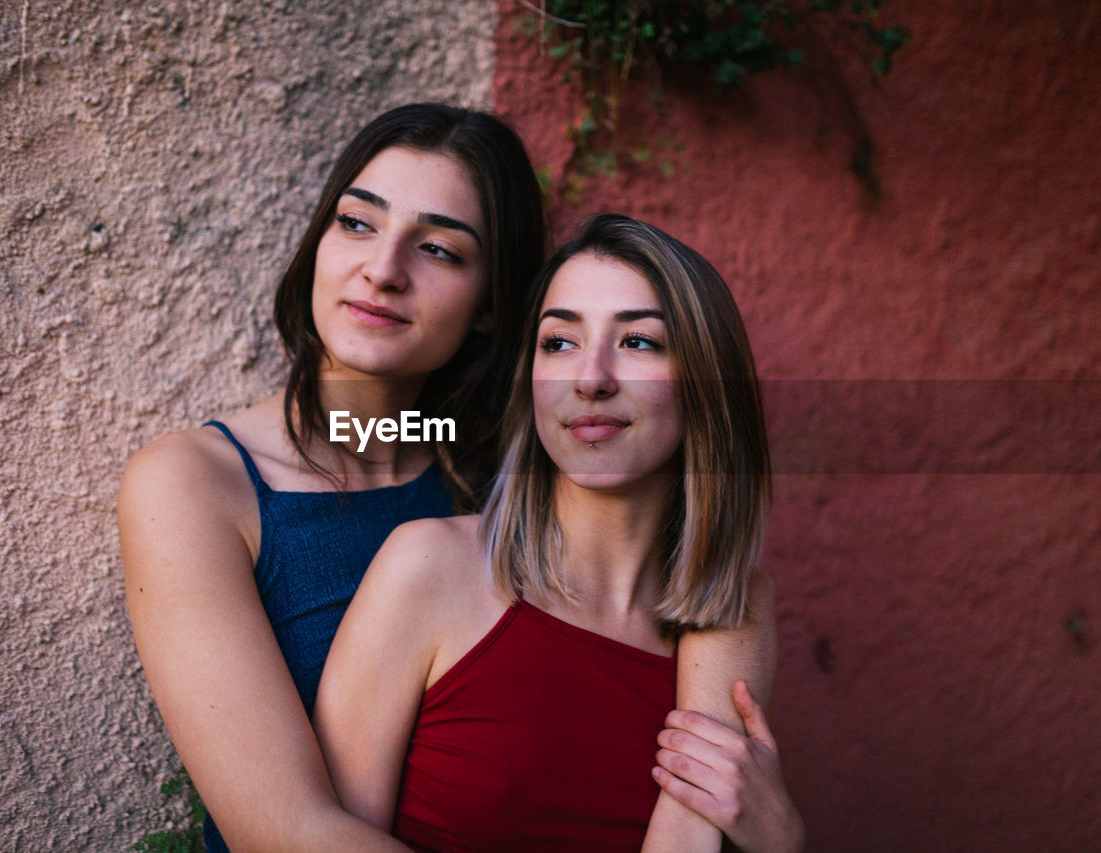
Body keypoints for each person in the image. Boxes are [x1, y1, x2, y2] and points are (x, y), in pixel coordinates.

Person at [120, 104, 800, 852]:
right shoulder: (196, 484)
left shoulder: (488, 466)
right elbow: (283, 830)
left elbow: (704, 577)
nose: (383, 269)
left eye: (440, 250)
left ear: (490, 306)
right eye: (355, 223)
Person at [314, 214, 803, 852]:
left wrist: (782, 841)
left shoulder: (730, 607)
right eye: (559, 343)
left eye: (640, 343)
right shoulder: (429, 566)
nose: (590, 378)